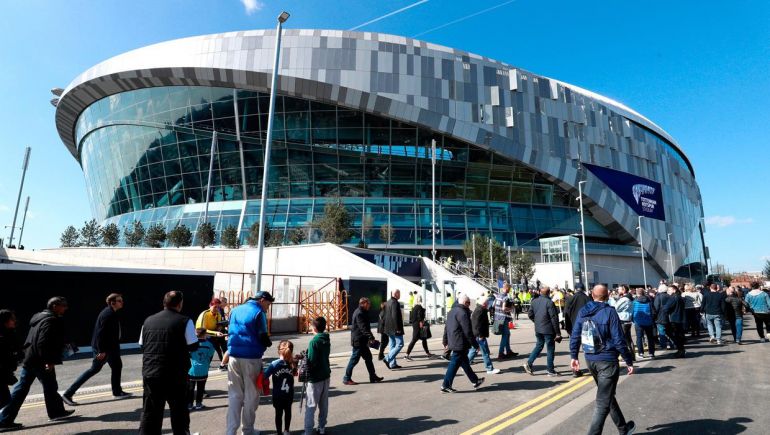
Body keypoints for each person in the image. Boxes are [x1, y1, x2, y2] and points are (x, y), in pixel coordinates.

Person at [0, 297, 75, 431]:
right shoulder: (51, 320)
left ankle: (5, 419)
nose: (66, 307)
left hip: (31, 358)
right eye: (63, 305)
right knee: (50, 385)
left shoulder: (39, 318)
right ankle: (56, 413)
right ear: (54, 306)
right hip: (41, 360)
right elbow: (43, 342)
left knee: (22, 388)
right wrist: (49, 361)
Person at [569, 285, 636, 435]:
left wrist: (574, 356)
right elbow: (619, 340)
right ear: (607, 297)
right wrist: (629, 360)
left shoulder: (583, 312)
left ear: (592, 295)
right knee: (602, 403)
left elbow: (575, 335)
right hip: (607, 360)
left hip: (590, 359)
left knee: (607, 396)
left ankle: (623, 428)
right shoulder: (610, 312)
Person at [138, 291, 198, 435]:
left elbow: (142, 345)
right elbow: (193, 345)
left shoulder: (148, 320)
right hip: (175, 374)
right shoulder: (185, 321)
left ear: (164, 303)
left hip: (151, 373)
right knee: (179, 412)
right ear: (180, 303)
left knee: (150, 412)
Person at [62, 293, 130, 406]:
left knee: (117, 366)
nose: (122, 302)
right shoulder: (108, 314)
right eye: (120, 301)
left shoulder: (112, 312)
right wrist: (101, 351)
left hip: (111, 348)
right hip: (104, 349)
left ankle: (117, 391)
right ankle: (68, 394)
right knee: (93, 370)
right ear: (113, 302)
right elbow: (100, 334)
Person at [226, 290, 274, 435]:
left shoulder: (235, 310)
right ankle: (247, 430)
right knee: (251, 396)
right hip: (251, 358)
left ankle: (230, 431)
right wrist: (268, 344)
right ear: (262, 300)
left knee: (234, 395)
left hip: (233, 356)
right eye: (268, 303)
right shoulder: (259, 312)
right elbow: (263, 336)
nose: (268, 307)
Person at [440, 294, 484, 393]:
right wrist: (475, 345)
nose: (469, 305)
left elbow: (446, 328)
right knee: (454, 363)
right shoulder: (463, 313)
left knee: (464, 362)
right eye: (469, 303)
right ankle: (445, 385)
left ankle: (475, 381)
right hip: (460, 342)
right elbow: (468, 331)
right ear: (465, 303)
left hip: (454, 340)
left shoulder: (452, 311)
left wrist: (445, 340)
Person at [343, 297, 383, 385]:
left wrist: (369, 337)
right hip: (358, 341)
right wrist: (371, 337)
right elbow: (363, 328)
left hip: (362, 340)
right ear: (363, 303)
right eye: (368, 304)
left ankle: (373, 376)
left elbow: (365, 327)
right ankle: (346, 378)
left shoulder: (363, 312)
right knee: (354, 360)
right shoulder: (359, 313)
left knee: (368, 358)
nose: (370, 305)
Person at [523, 287, 562, 376]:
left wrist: (536, 321)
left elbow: (530, 314)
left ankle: (529, 363)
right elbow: (554, 318)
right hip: (548, 329)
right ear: (549, 293)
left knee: (539, 346)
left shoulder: (534, 301)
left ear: (540, 292)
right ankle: (550, 370)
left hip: (538, 328)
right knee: (550, 349)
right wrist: (558, 333)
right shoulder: (549, 302)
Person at [264, 340, 297, 435]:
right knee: (288, 412)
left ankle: (279, 432)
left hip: (277, 395)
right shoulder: (292, 363)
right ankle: (286, 430)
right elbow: (295, 373)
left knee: (278, 414)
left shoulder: (274, 364)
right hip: (289, 394)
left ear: (279, 351)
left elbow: (265, 376)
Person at [305, 317, 331, 435]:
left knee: (311, 405)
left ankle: (308, 431)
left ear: (314, 328)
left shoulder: (314, 341)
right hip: (325, 374)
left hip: (315, 377)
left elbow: (311, 360)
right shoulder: (326, 338)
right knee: (323, 404)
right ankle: (321, 427)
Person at [468, 297, 500, 374]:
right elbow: (477, 324)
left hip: (477, 335)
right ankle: (489, 368)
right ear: (484, 304)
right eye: (487, 303)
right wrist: (481, 335)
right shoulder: (481, 310)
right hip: (480, 335)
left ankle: (465, 364)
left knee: (473, 350)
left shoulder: (479, 309)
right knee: (485, 352)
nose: (489, 304)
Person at [187, 327, 215, 410]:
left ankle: (189, 404)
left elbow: (188, 354)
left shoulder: (191, 344)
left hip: (192, 370)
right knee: (201, 388)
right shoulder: (209, 344)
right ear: (204, 334)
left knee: (190, 388)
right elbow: (210, 355)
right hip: (203, 369)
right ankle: (199, 404)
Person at [0, 310, 22, 410]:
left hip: (5, 371)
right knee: (4, 399)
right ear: (5, 321)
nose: (14, 321)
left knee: (5, 399)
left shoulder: (8, 333)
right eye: (12, 319)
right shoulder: (2, 335)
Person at [196, 297, 227, 363]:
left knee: (210, 356)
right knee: (203, 359)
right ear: (210, 305)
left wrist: (220, 328)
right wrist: (216, 333)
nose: (217, 309)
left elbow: (218, 326)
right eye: (215, 307)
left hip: (213, 338)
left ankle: (222, 364)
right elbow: (201, 330)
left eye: (218, 307)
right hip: (203, 338)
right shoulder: (205, 314)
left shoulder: (218, 314)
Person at [609, 286, 634, 361]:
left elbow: (615, 307)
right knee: (628, 339)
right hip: (626, 320)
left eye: (619, 289)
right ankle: (631, 355)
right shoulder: (627, 298)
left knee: (623, 339)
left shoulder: (625, 299)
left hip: (623, 320)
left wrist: (612, 300)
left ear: (623, 290)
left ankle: (628, 356)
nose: (617, 290)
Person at [405, 297, 433, 361]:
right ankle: (407, 354)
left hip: (415, 325)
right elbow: (419, 315)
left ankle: (428, 353)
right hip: (418, 326)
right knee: (414, 339)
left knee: (424, 339)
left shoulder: (414, 308)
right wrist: (421, 322)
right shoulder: (419, 307)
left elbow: (412, 317)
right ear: (420, 300)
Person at [493, 284, 517, 360]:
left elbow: (493, 306)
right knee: (505, 335)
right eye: (509, 289)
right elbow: (504, 308)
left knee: (507, 334)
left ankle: (508, 351)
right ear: (506, 288)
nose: (509, 290)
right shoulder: (505, 297)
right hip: (503, 318)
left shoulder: (497, 296)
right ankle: (501, 353)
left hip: (497, 317)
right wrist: (511, 309)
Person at [382, 290, 405, 370]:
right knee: (400, 344)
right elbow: (395, 316)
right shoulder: (395, 303)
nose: (400, 295)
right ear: (396, 294)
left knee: (392, 344)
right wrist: (397, 328)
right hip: (395, 328)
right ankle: (387, 358)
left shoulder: (388, 302)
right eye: (399, 293)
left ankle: (392, 364)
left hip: (388, 328)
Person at [631, 288, 656, 359]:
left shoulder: (634, 301)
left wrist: (633, 320)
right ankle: (651, 353)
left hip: (638, 322)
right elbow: (653, 312)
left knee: (639, 338)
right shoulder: (649, 301)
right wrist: (651, 319)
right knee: (650, 338)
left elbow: (632, 312)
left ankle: (641, 353)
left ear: (637, 293)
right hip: (648, 321)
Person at [664, 286, 687, 357]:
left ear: (674, 290)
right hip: (680, 318)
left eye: (669, 290)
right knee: (679, 335)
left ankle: (680, 350)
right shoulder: (679, 297)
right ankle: (681, 350)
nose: (668, 291)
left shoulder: (673, 297)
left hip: (674, 319)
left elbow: (666, 307)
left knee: (676, 335)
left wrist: (665, 310)